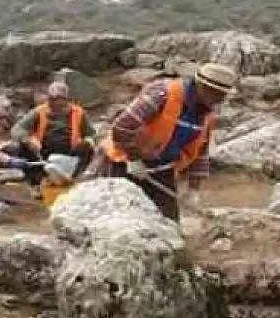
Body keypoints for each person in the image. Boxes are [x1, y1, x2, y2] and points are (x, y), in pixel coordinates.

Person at [90, 63, 237, 222]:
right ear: (205, 88)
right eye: (219, 95)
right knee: (117, 218)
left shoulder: (206, 113)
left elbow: (200, 151)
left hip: (162, 168)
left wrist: (193, 190)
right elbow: (122, 127)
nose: (221, 100)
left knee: (169, 223)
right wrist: (134, 159)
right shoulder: (163, 93)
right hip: (122, 163)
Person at [1, 81, 96, 191]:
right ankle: (36, 182)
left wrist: (87, 141)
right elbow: (17, 129)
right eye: (52, 99)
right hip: (42, 152)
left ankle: (75, 177)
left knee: (87, 148)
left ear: (66, 100)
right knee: (22, 147)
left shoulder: (79, 113)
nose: (54, 102)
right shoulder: (39, 111)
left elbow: (92, 134)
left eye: (58, 99)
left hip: (70, 151)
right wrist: (28, 140)